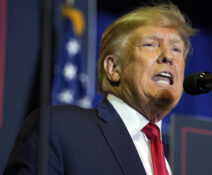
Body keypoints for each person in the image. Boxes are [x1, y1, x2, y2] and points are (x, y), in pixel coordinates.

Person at [4, 2, 197, 175]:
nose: (168, 56)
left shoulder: (184, 158)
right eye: (151, 44)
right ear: (114, 68)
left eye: (176, 49)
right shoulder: (60, 130)